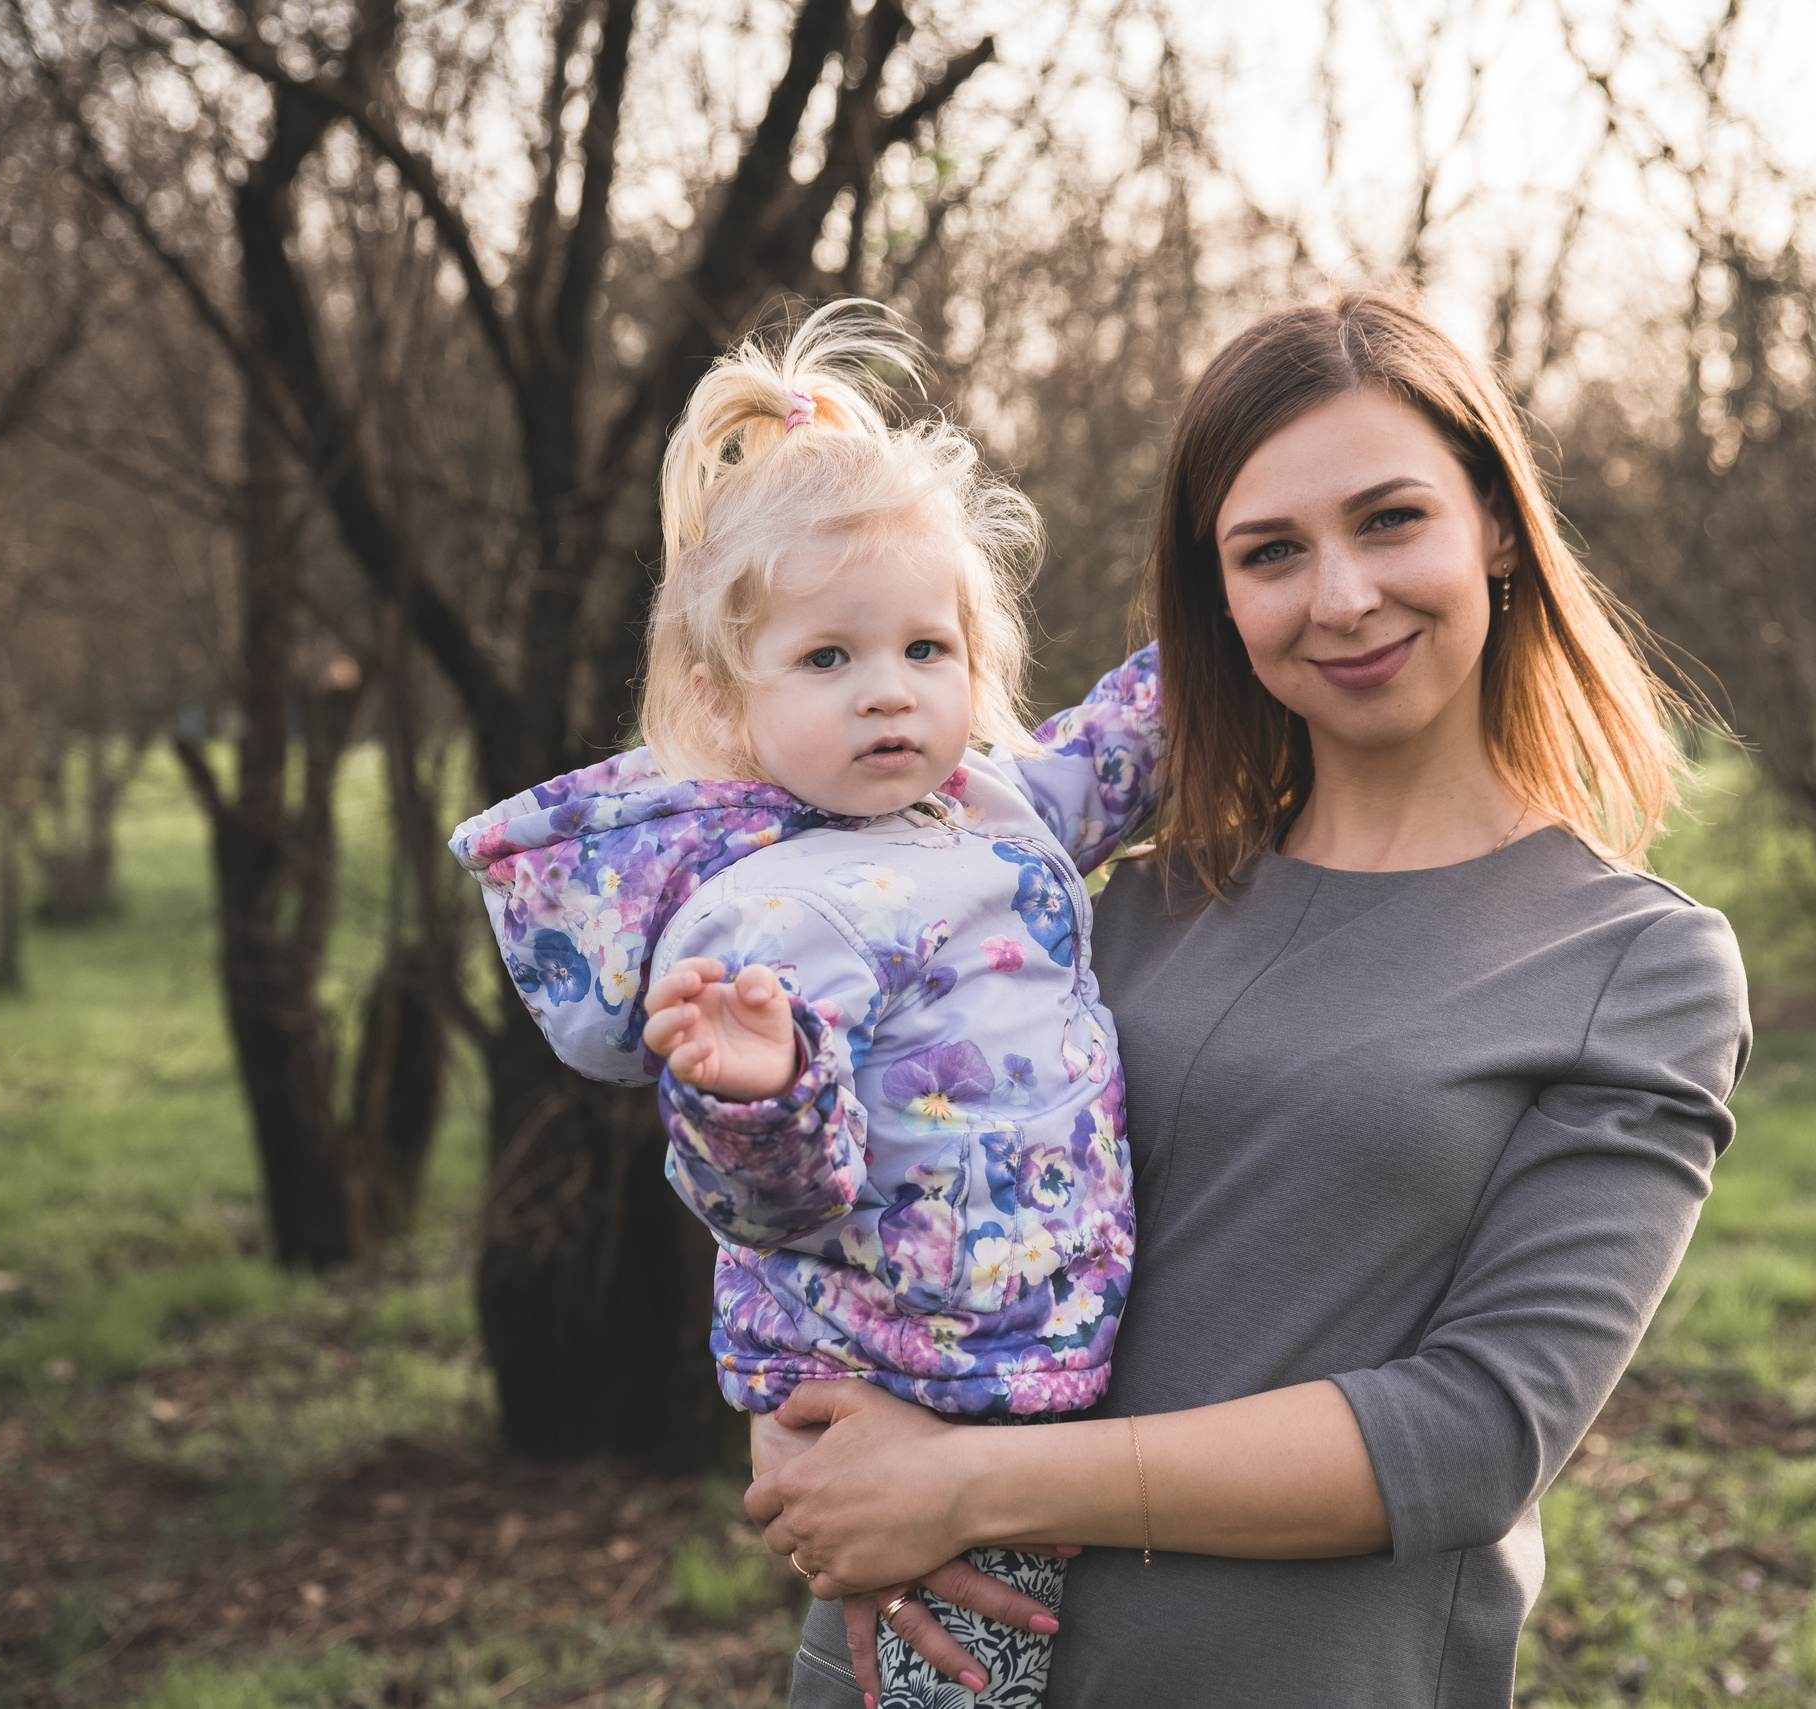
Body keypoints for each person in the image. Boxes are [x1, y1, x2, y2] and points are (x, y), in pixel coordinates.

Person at [744, 291, 1753, 1708]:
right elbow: (863, 1208)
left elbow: (1471, 1432)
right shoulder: (1111, 909)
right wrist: (804, 1444)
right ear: (1218, 595)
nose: (1340, 595)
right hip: (917, 1671)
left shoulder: (1629, 964)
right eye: (1271, 550)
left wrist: (965, 1481)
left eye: (1392, 518)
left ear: (1499, 526)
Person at [449, 302, 1164, 1709]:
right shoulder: (764, 912)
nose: (888, 693)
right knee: (967, 1670)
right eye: (829, 660)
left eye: (924, 649)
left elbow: (1116, 757)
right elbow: (776, 1204)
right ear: (726, 703)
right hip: (914, 1388)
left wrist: (1211, 648)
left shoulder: (991, 801)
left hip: (1036, 1362)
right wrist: (751, 1092)